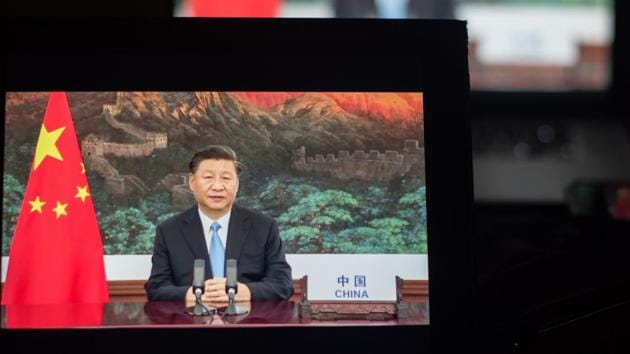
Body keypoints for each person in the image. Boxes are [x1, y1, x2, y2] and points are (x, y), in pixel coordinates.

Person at [145, 145, 294, 302]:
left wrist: (247, 292)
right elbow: (156, 288)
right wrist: (190, 294)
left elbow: (283, 284)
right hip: (192, 322)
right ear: (192, 182)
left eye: (226, 178)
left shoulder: (263, 227)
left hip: (247, 323)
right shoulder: (169, 231)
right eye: (208, 178)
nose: (217, 187)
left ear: (237, 184)